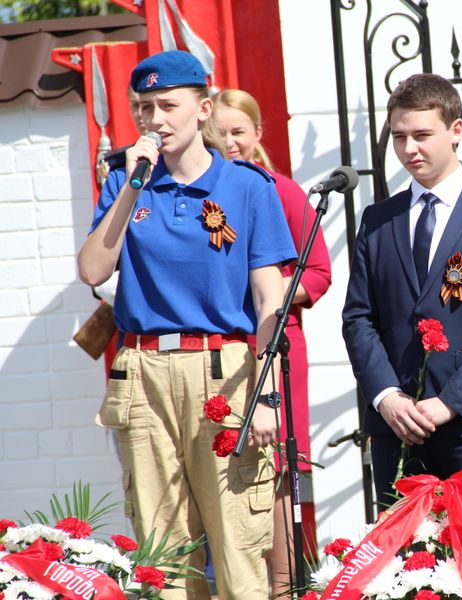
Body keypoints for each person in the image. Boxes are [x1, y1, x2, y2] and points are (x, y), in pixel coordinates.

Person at [77, 50, 297, 599]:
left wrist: (267, 394)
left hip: (223, 369)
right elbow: (93, 270)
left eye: (168, 105)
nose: (155, 119)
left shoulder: (248, 187)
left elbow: (270, 299)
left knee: (237, 541)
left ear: (203, 109)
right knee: (163, 547)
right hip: (144, 371)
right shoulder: (125, 182)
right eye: (144, 107)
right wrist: (131, 186)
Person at [342, 73, 462, 507]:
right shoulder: (378, 220)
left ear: (456, 131)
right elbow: (358, 318)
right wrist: (386, 397)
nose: (409, 149)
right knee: (402, 549)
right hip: (398, 423)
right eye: (399, 137)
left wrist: (449, 402)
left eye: (422, 135)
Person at [213, 88, 332, 596]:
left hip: (278, 346)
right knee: (226, 466)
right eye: (219, 133)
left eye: (239, 131)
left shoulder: (281, 191)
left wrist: (266, 293)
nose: (230, 142)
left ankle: (286, 586)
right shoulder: (201, 192)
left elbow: (319, 273)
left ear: (258, 133)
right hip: (219, 349)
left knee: (280, 468)